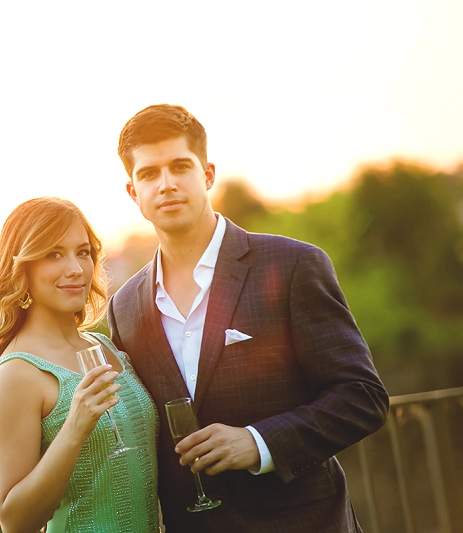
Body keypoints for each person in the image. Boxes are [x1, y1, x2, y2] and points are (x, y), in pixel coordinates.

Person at [107, 104, 390, 532]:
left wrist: (258, 442)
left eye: (180, 166)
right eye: (149, 174)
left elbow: (362, 397)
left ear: (207, 174)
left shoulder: (294, 264)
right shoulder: (124, 306)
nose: (166, 184)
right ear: (133, 191)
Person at [0, 197, 160, 533]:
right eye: (53, 254)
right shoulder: (18, 373)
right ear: (22, 267)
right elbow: (14, 521)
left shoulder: (106, 348)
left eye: (83, 252)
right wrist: (74, 428)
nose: (75, 268)